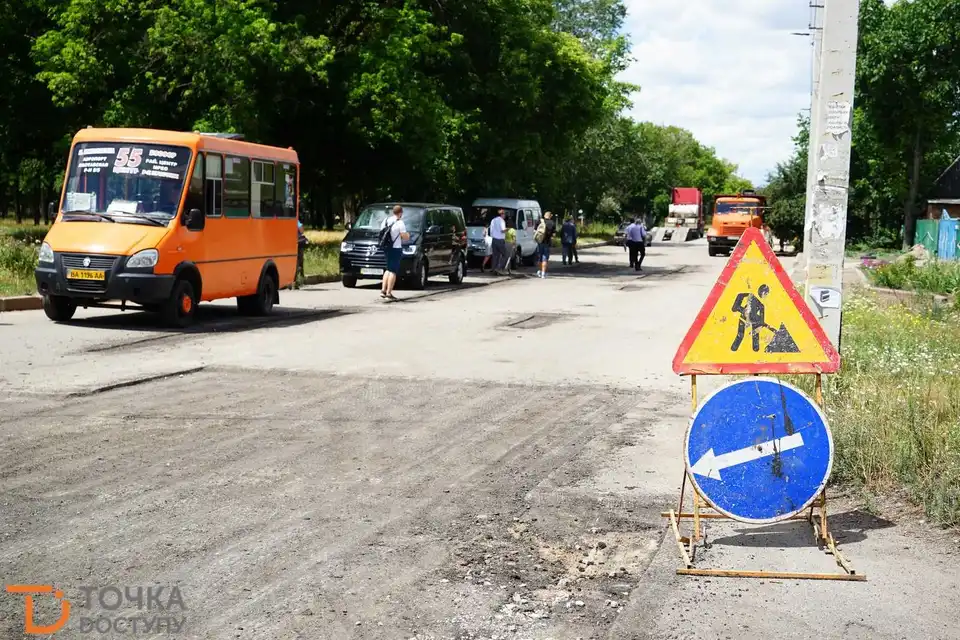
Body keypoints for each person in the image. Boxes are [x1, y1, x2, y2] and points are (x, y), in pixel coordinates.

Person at [381, 205, 410, 300]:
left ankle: (383, 291)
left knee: (388, 269)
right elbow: (404, 236)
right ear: (400, 213)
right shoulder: (400, 222)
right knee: (393, 271)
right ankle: (389, 293)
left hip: (386, 247)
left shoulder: (385, 220)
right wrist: (408, 235)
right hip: (396, 248)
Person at [535, 211, 556, 278]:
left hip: (539, 241)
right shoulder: (552, 223)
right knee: (545, 258)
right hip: (547, 242)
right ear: (550, 216)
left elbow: (535, 231)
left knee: (540, 257)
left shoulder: (539, 221)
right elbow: (554, 235)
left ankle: (539, 271)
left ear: (544, 215)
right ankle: (543, 273)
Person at [489, 209, 507, 275]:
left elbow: (490, 230)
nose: (505, 216)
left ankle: (493, 269)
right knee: (504, 254)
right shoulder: (502, 221)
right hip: (500, 240)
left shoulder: (493, 220)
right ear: (502, 214)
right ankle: (499, 268)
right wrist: (508, 229)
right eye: (504, 214)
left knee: (495, 255)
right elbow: (502, 230)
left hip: (494, 239)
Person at [295, 220, 308, 288]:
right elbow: (302, 230)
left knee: (296, 263)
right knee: (300, 262)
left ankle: (295, 281)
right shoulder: (296, 221)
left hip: (289, 244)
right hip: (298, 244)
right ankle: (300, 280)